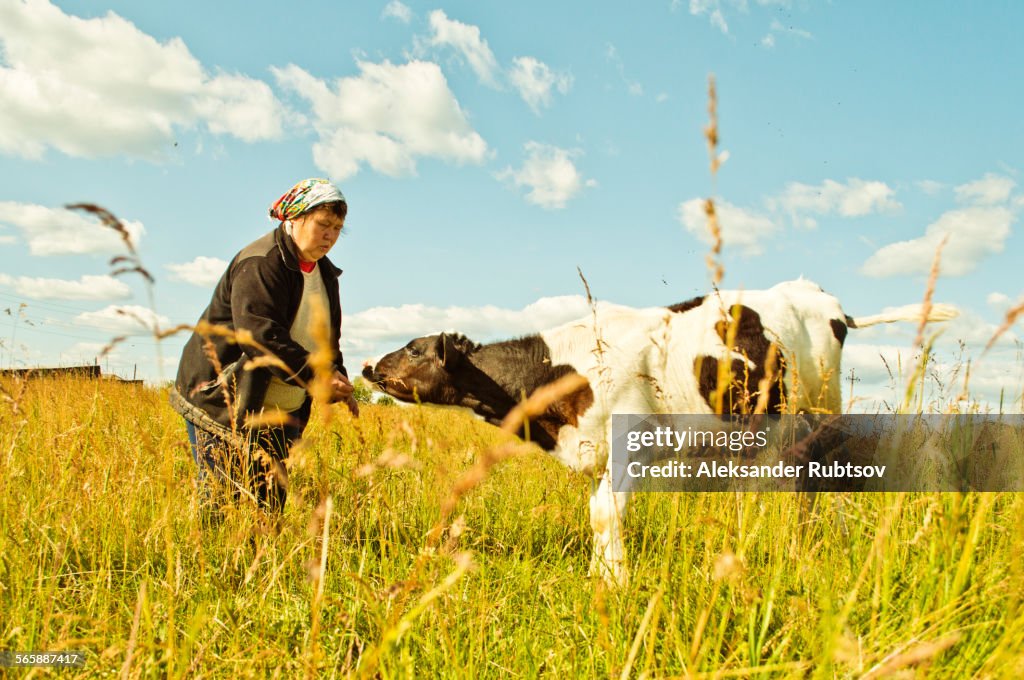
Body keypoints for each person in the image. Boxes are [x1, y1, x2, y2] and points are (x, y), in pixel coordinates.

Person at [169, 178, 358, 515]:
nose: (330, 235)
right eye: (323, 225)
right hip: (223, 398)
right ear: (295, 219)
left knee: (269, 503)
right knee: (222, 500)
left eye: (337, 228)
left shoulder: (325, 275)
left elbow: (328, 341)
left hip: (281, 406)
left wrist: (339, 379)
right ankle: (216, 565)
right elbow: (259, 337)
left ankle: (262, 564)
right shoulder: (261, 263)